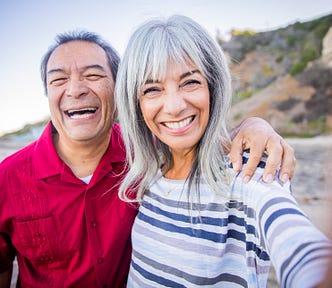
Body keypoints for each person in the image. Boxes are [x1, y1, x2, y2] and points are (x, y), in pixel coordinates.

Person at [0, 30, 295, 287]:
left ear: (118, 89)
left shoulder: (150, 153)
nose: (75, 89)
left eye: (93, 75)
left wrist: (254, 125)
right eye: (59, 79)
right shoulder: (7, 178)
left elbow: (193, 133)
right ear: (47, 93)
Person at [115, 15, 332, 287]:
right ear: (136, 104)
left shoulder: (248, 173)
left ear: (213, 88)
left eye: (190, 82)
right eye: (152, 89)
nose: (173, 106)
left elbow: (299, 245)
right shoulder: (149, 177)